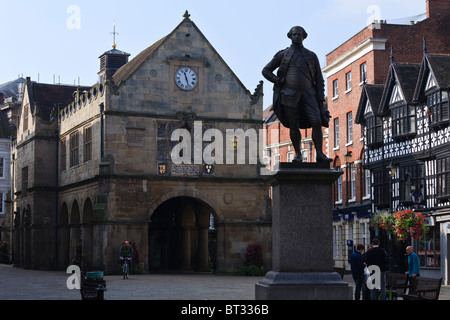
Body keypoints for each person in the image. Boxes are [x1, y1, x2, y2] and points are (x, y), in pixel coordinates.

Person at [262, 26, 331, 163]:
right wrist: (277, 80)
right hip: (289, 94)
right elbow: (266, 70)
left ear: (304, 36)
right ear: (290, 36)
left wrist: (320, 99)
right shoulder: (283, 55)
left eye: (299, 34)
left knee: (316, 121)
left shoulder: (311, 56)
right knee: (293, 124)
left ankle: (319, 153)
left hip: (309, 94)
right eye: (293, 34)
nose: (296, 37)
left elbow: (319, 79)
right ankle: (298, 154)